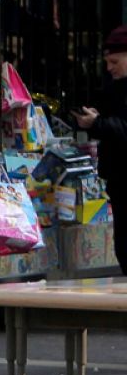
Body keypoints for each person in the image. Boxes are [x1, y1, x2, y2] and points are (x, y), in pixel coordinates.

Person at [70, 24, 127, 270]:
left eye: (115, 61)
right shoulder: (117, 87)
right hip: (119, 179)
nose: (109, 67)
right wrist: (94, 123)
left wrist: (99, 123)